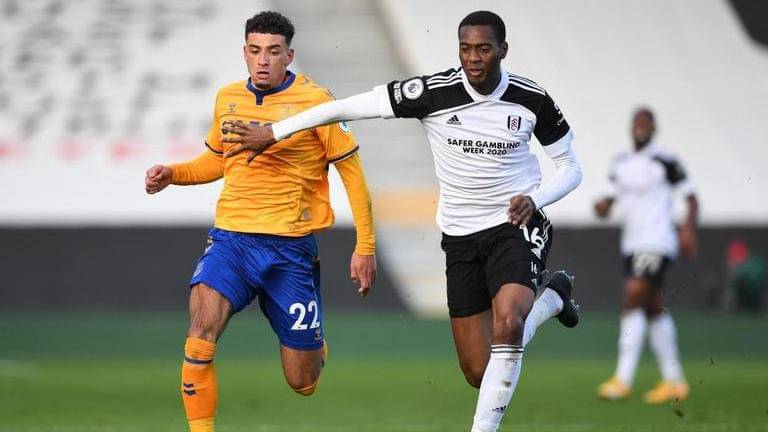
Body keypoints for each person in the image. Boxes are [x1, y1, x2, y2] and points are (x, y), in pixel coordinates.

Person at [220, 10, 582, 432]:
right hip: (460, 236)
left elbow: (571, 168)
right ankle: (552, 299)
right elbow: (344, 108)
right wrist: (275, 132)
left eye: (483, 49)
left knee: (509, 322)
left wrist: (535, 200)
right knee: (480, 372)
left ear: (503, 50)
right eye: (465, 49)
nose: (473, 58)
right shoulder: (433, 92)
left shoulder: (531, 98)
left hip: (515, 225)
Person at [144, 11, 377, 432]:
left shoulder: (317, 102)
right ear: (245, 53)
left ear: (290, 55)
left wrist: (365, 246)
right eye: (255, 51)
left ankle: (314, 346)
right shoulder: (228, 97)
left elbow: (352, 173)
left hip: (290, 250)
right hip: (231, 242)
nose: (263, 60)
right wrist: (173, 174)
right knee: (200, 331)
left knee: (302, 382)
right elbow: (217, 160)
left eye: (272, 51)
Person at [594, 107, 698, 403]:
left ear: (654, 128)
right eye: (636, 122)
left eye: (645, 123)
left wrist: (687, 230)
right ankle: (675, 381)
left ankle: (623, 379)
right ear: (631, 127)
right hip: (631, 244)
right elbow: (607, 201)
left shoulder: (665, 161)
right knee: (653, 308)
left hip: (656, 241)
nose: (640, 127)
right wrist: (602, 207)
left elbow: (691, 198)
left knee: (631, 300)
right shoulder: (621, 163)